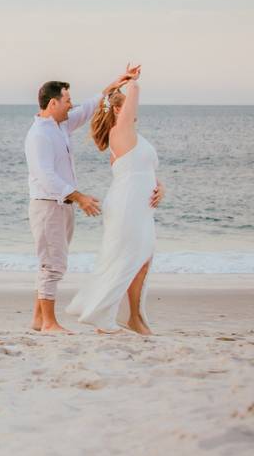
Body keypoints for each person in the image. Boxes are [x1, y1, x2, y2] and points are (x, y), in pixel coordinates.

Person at [24, 69, 134, 333]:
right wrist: (80, 197)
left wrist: (115, 83)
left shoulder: (60, 125)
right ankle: (49, 323)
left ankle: (39, 320)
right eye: (66, 100)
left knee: (52, 262)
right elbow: (46, 177)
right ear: (53, 103)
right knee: (52, 265)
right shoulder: (39, 135)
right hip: (48, 205)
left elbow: (87, 108)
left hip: (61, 206)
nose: (71, 104)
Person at [66, 66, 165, 334]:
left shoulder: (133, 137)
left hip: (139, 206)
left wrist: (160, 187)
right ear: (119, 112)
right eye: (129, 108)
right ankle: (105, 317)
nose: (135, 113)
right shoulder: (119, 132)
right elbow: (133, 95)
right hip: (127, 206)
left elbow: (144, 169)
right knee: (127, 260)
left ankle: (133, 317)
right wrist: (132, 82)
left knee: (141, 260)